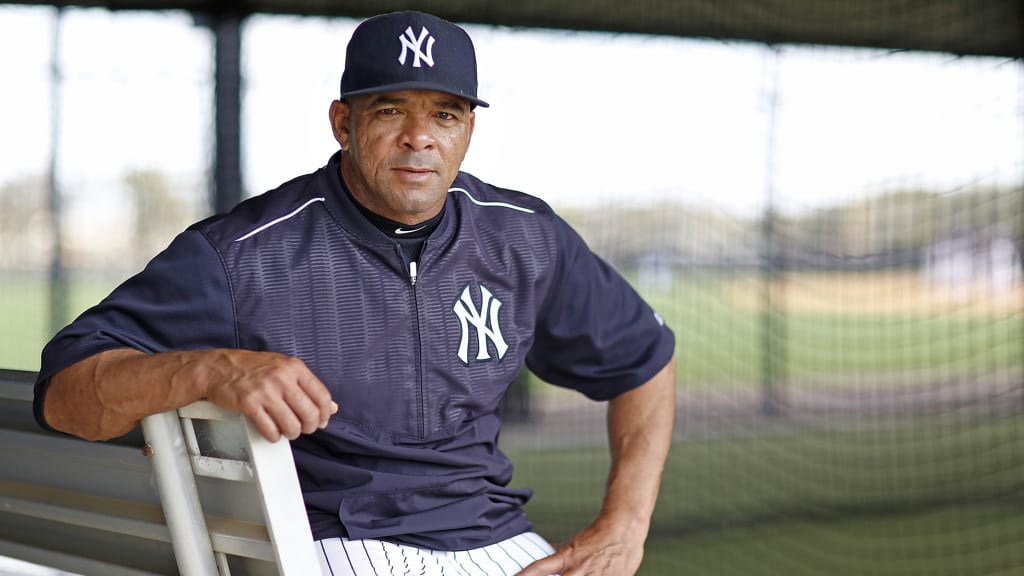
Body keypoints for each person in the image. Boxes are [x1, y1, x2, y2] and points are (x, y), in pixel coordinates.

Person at [33, 10, 676, 576]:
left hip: (495, 539)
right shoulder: (241, 253)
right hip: (330, 543)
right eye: (391, 110)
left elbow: (644, 359)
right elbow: (66, 397)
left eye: (445, 114)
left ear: (468, 132)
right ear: (342, 122)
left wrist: (625, 525)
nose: (419, 137)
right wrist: (210, 367)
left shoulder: (526, 237)